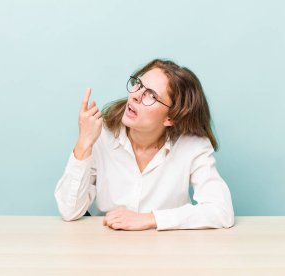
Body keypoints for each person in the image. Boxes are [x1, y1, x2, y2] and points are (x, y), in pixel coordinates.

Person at [54, 59, 235, 231]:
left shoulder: (192, 146)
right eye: (138, 85)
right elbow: (69, 212)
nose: (135, 96)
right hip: (109, 249)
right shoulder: (101, 135)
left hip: (167, 251)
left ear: (170, 118)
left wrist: (150, 219)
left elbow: (222, 212)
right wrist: (84, 143)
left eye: (151, 95)